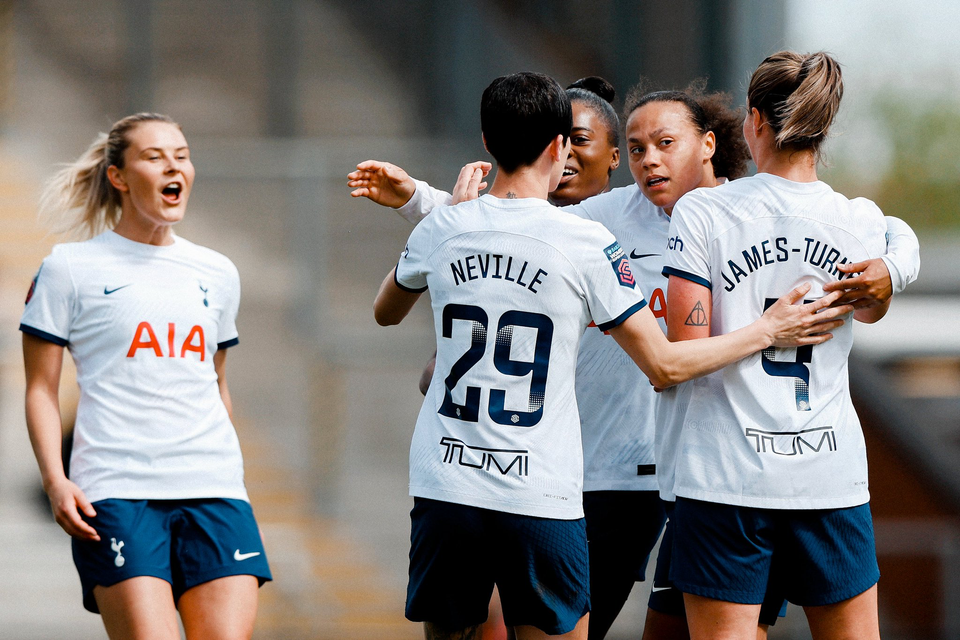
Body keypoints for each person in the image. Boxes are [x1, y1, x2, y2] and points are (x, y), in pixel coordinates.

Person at [350, 79, 920, 639]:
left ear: (712, 143)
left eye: (665, 143)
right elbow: (507, 222)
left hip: (710, 473)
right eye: (640, 147)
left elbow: (891, 235)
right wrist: (419, 199)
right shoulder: (606, 220)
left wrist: (894, 270)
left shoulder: (730, 215)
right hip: (625, 474)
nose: (649, 161)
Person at [662, 51, 896, 640]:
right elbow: (873, 310)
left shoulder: (704, 212)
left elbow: (684, 349)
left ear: (755, 120)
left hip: (723, 479)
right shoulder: (859, 220)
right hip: (827, 474)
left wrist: (761, 331)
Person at [21, 113, 271, 640]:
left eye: (181, 155)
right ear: (118, 175)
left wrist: (232, 473)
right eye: (154, 157)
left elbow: (215, 381)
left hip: (214, 489)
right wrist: (54, 480)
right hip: (117, 491)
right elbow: (41, 389)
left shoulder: (217, 272)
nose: (173, 166)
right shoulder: (69, 268)